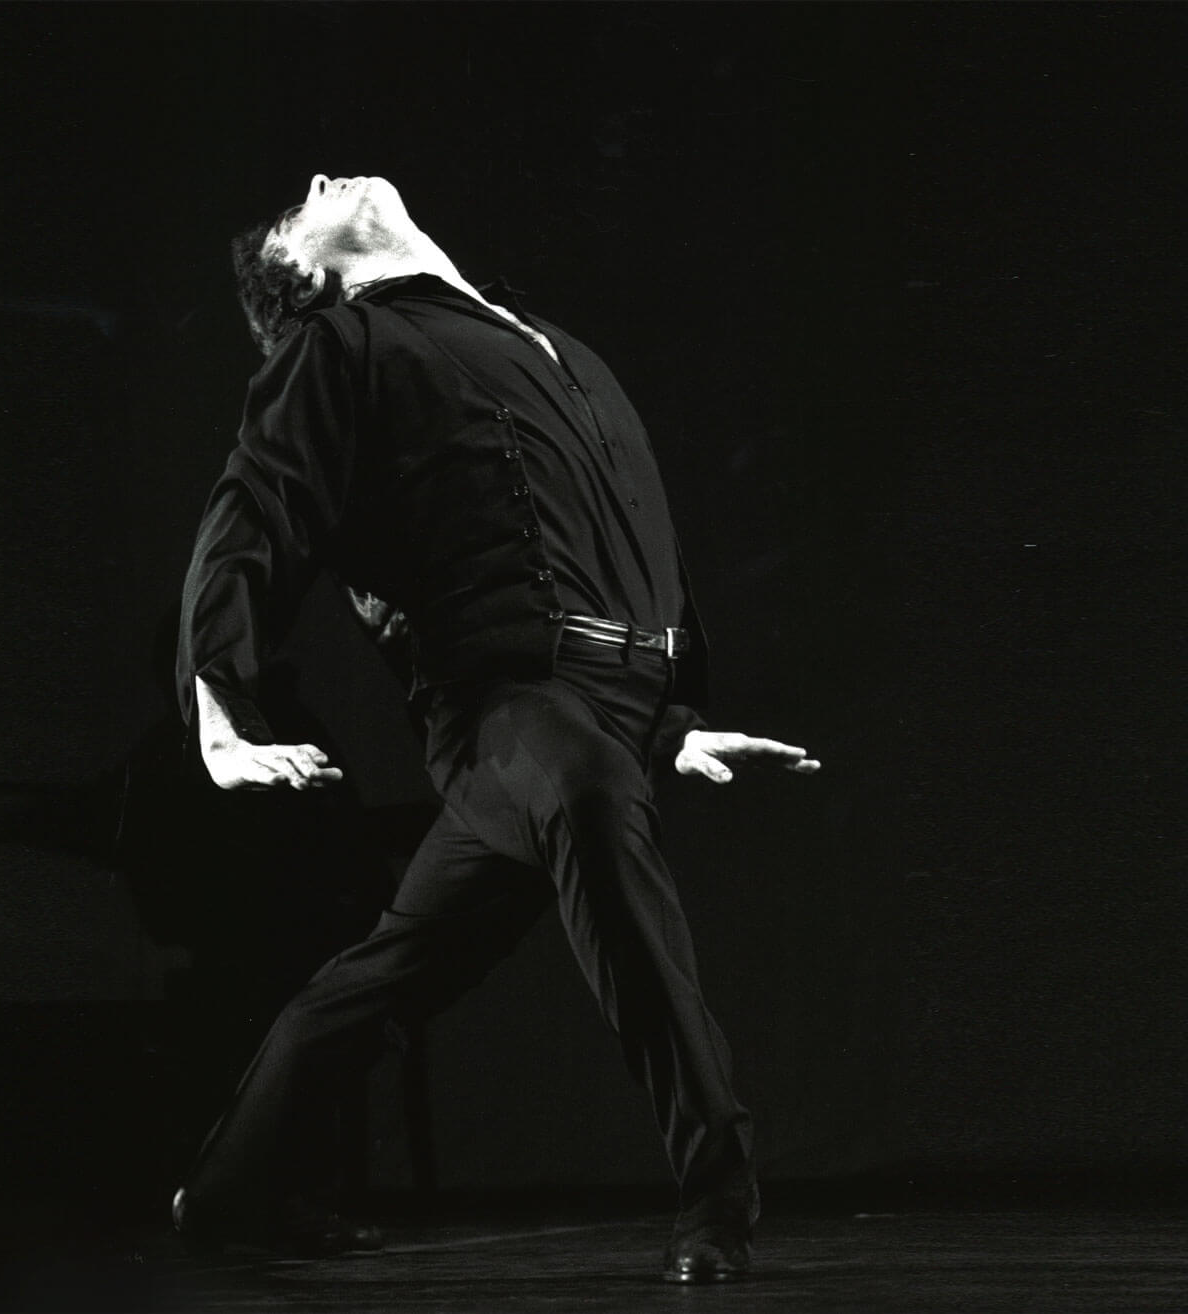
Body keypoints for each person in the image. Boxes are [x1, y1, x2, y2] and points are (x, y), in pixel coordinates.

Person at [170, 174, 819, 1283]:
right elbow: (255, 510)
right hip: (510, 705)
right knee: (592, 816)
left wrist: (669, 723)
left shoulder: (553, 347)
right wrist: (218, 708)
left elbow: (624, 534)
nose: (320, 180)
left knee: (390, 974)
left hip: (607, 705)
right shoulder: (340, 345)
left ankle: (228, 1193)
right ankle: (719, 1187)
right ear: (310, 276)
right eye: (296, 210)